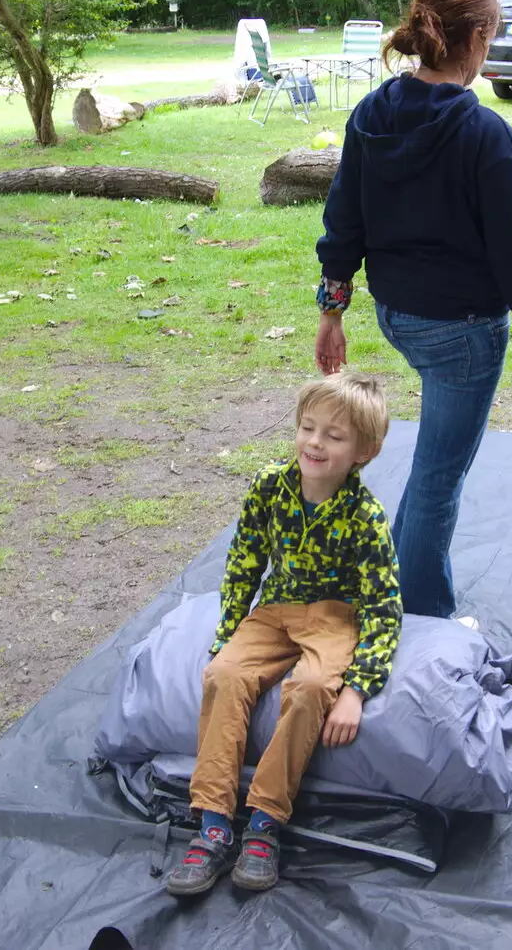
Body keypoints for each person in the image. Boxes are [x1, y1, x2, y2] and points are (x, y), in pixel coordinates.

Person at [314, 0, 512, 621]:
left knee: (432, 473)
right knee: (436, 480)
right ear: (479, 37)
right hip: (459, 332)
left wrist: (333, 312)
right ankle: (420, 619)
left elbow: (343, 222)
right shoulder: (483, 135)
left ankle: (392, 590)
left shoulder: (373, 113)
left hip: (397, 316)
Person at [165, 372, 402, 896]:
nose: (315, 443)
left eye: (334, 436)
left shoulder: (366, 518)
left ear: (364, 451)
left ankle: (266, 823)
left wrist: (358, 690)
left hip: (337, 616)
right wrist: (228, 634)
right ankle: (212, 823)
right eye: (308, 428)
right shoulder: (269, 486)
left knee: (314, 687)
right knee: (224, 673)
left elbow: (386, 606)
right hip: (277, 609)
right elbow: (244, 563)